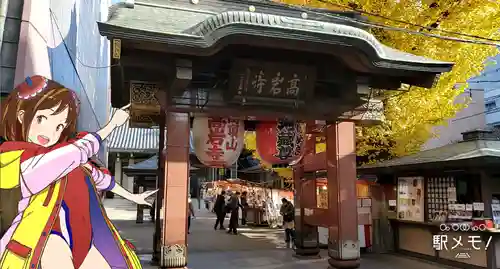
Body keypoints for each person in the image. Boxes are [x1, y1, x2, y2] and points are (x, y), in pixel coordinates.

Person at [0, 75, 158, 269]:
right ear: (22, 115)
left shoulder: (71, 161)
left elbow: (100, 179)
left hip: (82, 235)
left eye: (59, 126)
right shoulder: (21, 159)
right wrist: (111, 127)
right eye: (43, 118)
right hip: (45, 234)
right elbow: (74, 152)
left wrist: (133, 197)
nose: (50, 132)